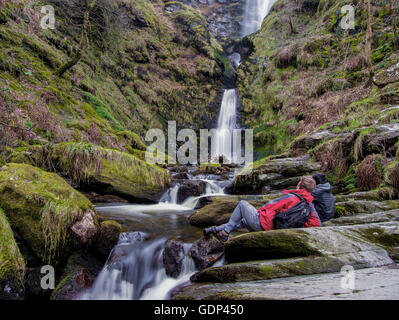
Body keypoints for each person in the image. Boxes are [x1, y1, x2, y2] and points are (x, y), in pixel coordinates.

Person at [204, 176, 322, 242]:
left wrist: (258, 213)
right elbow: (316, 224)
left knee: (242, 205)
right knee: (243, 222)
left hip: (263, 224)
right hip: (275, 228)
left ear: (299, 185)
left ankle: (225, 233)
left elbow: (270, 206)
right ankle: (214, 229)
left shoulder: (291, 197)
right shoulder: (309, 205)